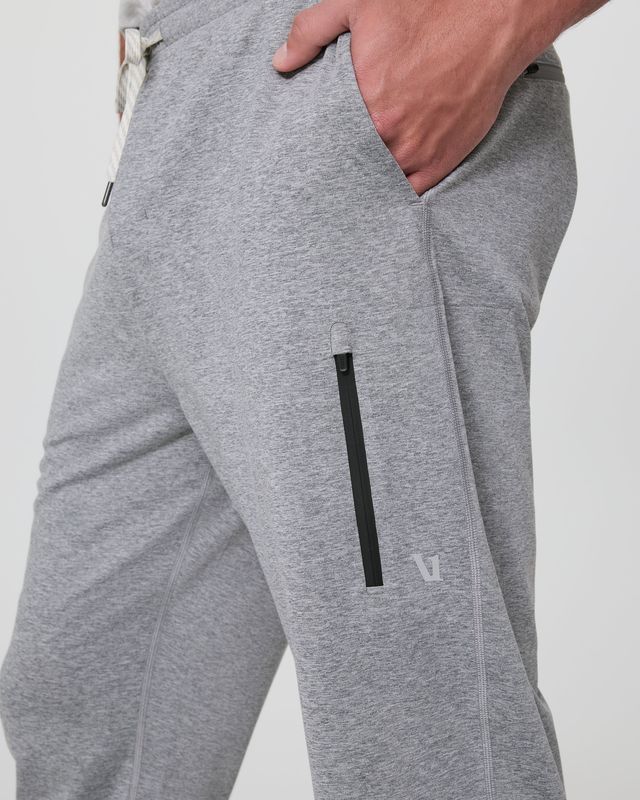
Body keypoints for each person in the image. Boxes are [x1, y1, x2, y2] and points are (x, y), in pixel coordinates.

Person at [0, 0, 608, 798]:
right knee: (82, 696)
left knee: (412, 724)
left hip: (333, 98)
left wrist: (493, 21)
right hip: (163, 108)